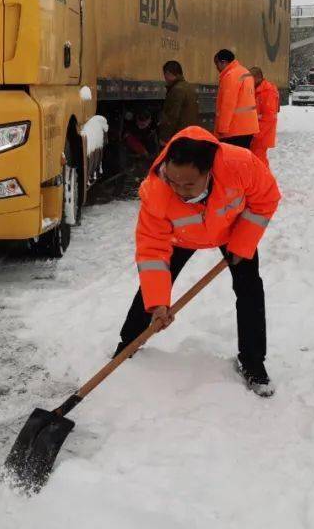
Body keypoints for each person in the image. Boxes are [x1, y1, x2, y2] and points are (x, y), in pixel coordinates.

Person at [115, 126, 282, 396]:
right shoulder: (156, 191)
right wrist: (158, 303)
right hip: (181, 237)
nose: (179, 190)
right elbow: (152, 252)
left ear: (210, 171)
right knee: (154, 285)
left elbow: (266, 198)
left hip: (232, 229)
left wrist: (243, 242)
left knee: (249, 288)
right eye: (174, 181)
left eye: (189, 184)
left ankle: (253, 362)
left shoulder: (240, 165)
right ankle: (128, 343)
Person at [213, 49, 258, 148]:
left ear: (223, 62)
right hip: (248, 128)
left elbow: (228, 104)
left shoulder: (230, 75)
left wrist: (222, 128)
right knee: (242, 160)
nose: (216, 68)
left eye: (217, 64)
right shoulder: (245, 72)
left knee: (231, 161)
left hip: (235, 130)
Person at [158, 60, 200, 144]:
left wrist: (165, 138)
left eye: (165, 75)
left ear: (168, 73)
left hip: (179, 137)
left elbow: (172, 116)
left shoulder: (176, 90)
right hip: (189, 135)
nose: (165, 78)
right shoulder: (190, 88)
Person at [249, 66, 279, 167]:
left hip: (261, 135)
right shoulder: (258, 89)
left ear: (257, 78)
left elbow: (269, 117)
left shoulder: (267, 91)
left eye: (250, 78)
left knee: (259, 162)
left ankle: (265, 182)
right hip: (257, 133)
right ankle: (261, 181)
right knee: (256, 160)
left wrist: (256, 135)